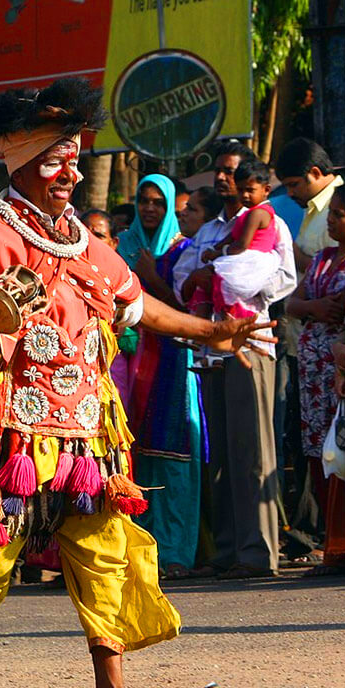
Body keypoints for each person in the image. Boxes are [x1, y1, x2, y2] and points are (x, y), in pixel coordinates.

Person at [0, 78, 276, 688]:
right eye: (55, 160)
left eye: (74, 159)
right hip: (12, 438)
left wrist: (211, 329)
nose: (68, 173)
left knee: (102, 552)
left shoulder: (86, 243)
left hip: (85, 436)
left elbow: (140, 307)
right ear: (21, 165)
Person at [174, 141, 297, 579]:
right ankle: (226, 551)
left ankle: (258, 552)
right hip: (210, 350)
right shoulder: (208, 230)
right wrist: (206, 275)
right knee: (220, 454)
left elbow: (282, 277)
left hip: (250, 344)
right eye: (223, 173)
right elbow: (182, 279)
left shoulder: (273, 223)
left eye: (236, 173)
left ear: (259, 185)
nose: (229, 180)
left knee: (253, 451)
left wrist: (230, 277)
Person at [116, 174, 201, 577]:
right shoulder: (126, 247)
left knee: (174, 451)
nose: (150, 208)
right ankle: (140, 552)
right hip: (130, 362)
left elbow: (185, 309)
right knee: (139, 452)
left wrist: (149, 277)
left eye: (158, 203)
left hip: (174, 359)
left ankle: (176, 552)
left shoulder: (183, 250)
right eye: (144, 201)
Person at [286, 184, 345, 573]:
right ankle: (334, 546)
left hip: (340, 369)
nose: (331, 221)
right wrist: (316, 306)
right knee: (322, 456)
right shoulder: (324, 259)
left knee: (344, 453)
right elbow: (292, 303)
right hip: (313, 373)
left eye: (338, 214)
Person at [191, 160, 280, 320]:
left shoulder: (258, 213)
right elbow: (232, 236)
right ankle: (203, 325)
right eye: (240, 190)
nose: (244, 195)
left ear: (266, 190)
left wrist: (218, 254)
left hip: (248, 261)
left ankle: (219, 322)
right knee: (207, 283)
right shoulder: (248, 213)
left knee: (217, 282)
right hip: (241, 258)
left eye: (250, 190)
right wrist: (215, 249)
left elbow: (241, 244)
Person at [275, 137, 344, 273]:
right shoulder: (312, 204)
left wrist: (286, 246)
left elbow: (337, 273)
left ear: (315, 173)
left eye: (294, 185)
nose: (289, 193)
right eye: (286, 187)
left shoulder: (342, 207)